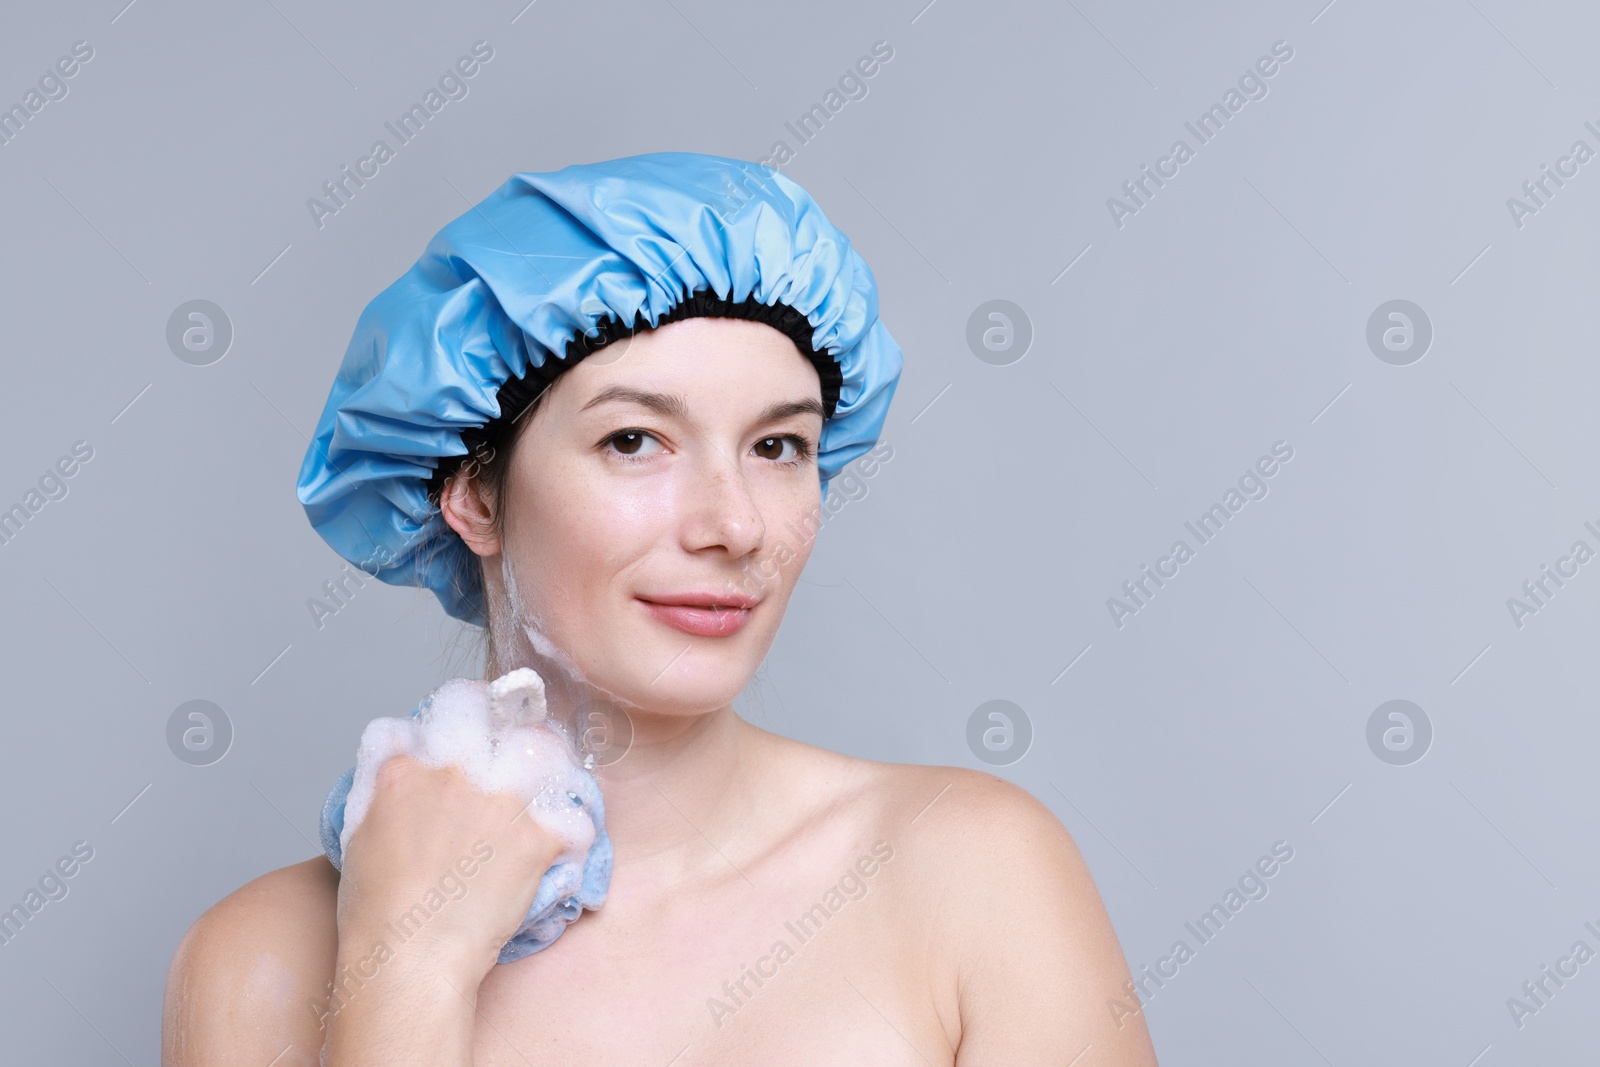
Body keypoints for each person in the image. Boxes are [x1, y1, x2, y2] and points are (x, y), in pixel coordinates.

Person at [162, 154, 1160, 1066]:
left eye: (777, 447)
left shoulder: (973, 872)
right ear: (468, 490)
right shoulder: (263, 961)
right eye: (634, 440)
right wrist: (405, 969)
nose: (733, 524)